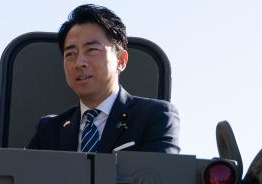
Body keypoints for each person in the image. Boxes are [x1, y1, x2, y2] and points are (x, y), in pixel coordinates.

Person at [27, 4, 180, 154]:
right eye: (70, 54)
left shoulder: (155, 117)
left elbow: (157, 177)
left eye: (92, 50)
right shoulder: (49, 129)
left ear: (121, 60)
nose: (80, 63)